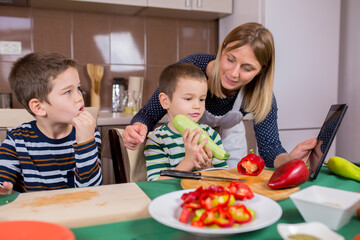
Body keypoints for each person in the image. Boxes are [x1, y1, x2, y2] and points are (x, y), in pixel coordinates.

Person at [123, 22, 317, 168]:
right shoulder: (193, 69)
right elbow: (149, 113)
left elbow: (270, 149)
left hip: (230, 144)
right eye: (230, 59)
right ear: (222, 49)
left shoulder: (259, 96)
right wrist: (138, 128)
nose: (234, 73)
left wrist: (289, 160)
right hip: (182, 146)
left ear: (261, 71)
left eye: (247, 68)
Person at [0, 52, 102, 195]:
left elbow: (91, 190)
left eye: (78, 88)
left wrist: (86, 143)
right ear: (38, 107)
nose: (79, 97)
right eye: (68, 92)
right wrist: (3, 188)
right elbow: (2, 180)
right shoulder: (17, 140)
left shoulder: (88, 133)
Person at [145, 63, 228, 181]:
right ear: (165, 101)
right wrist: (189, 161)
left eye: (202, 99)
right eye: (188, 99)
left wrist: (208, 167)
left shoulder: (211, 135)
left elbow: (223, 179)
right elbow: (156, 183)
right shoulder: (157, 139)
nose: (197, 106)